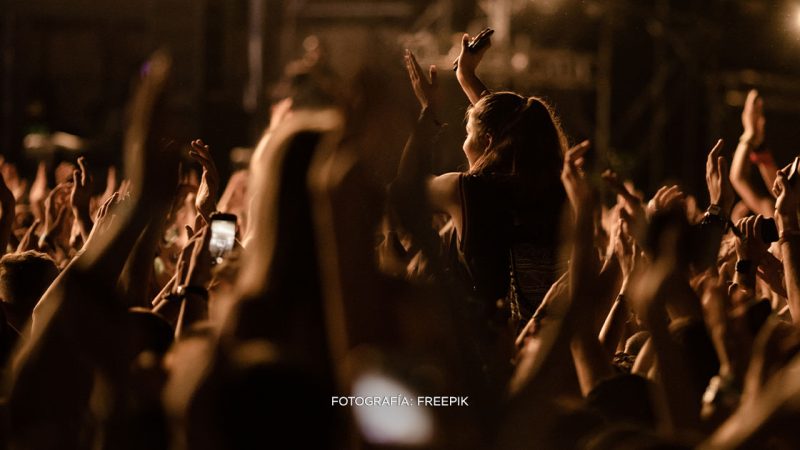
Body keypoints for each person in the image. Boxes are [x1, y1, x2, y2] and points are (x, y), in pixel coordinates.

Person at [394, 32, 570, 330]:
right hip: (546, 345)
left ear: (488, 141)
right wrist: (466, 77)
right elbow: (515, 130)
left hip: (491, 351)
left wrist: (429, 114)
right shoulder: (555, 190)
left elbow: (406, 189)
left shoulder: (465, 191)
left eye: (467, 135)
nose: (464, 143)